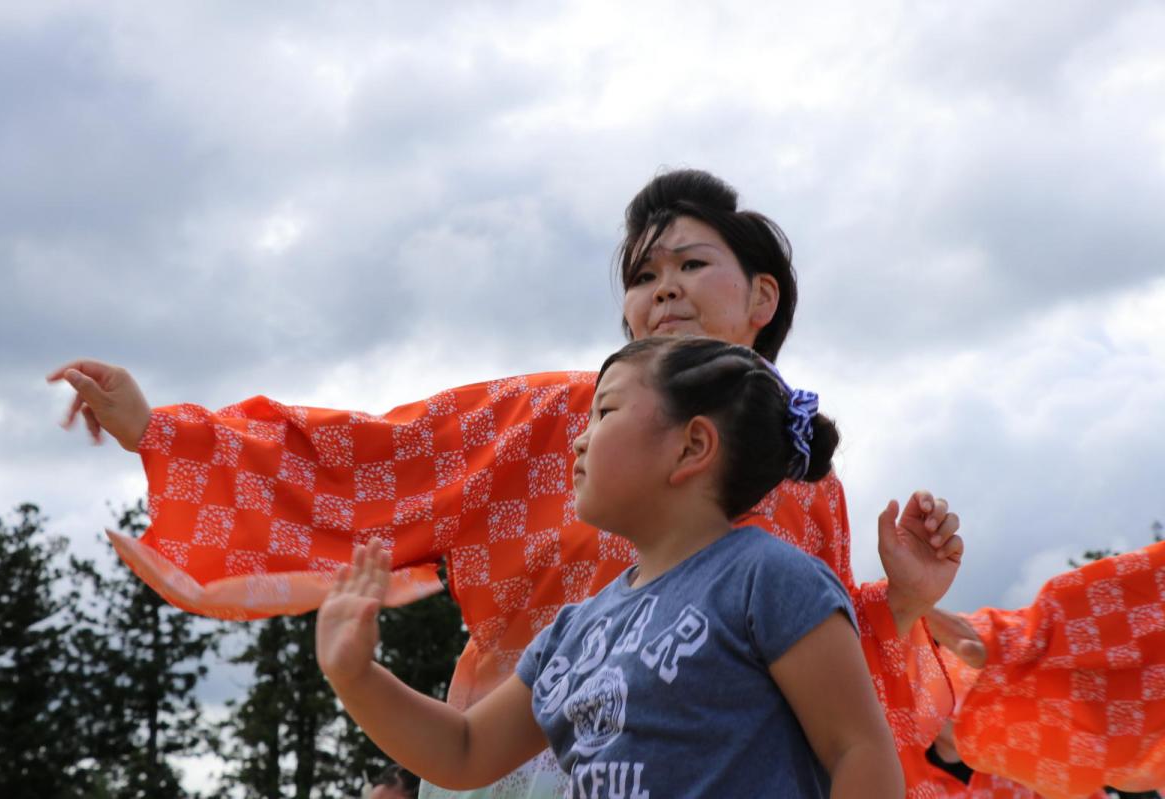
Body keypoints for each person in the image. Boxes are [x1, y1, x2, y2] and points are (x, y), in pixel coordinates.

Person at [48, 168, 1164, 796]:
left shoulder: (803, 492)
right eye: (641, 277)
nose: (661, 290)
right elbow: (370, 458)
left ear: (762, 296)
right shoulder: (559, 410)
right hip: (532, 748)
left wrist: (908, 605)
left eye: (690, 263)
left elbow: (841, 704)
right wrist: (169, 432)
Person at [318, 336, 904, 798]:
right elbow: (464, 751)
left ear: (692, 447)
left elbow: (859, 750)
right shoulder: (573, 632)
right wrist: (357, 678)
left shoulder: (768, 578)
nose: (579, 440)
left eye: (605, 411)